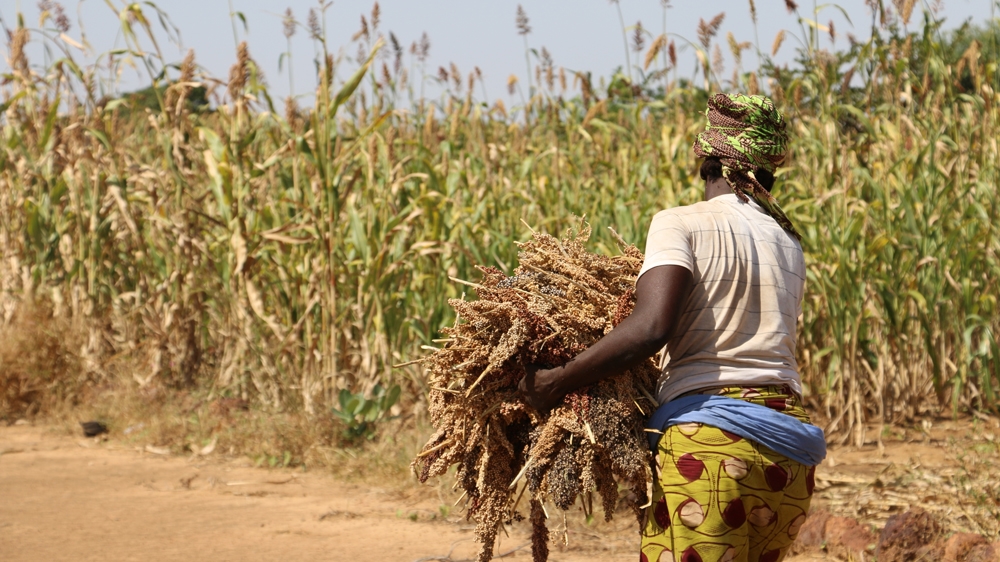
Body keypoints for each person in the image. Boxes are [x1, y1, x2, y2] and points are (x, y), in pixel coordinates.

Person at [519, 93, 825, 562]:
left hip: (712, 447)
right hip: (789, 451)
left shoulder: (680, 223)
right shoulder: (789, 242)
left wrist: (556, 380)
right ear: (767, 171)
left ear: (708, 160)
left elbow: (650, 328)